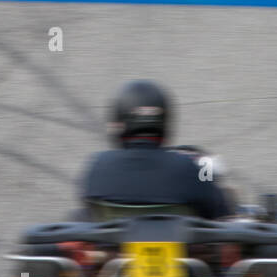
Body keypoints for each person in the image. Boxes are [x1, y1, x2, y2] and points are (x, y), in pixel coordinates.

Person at [80, 80, 233, 220]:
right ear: (164, 123)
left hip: (115, 247)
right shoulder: (190, 168)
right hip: (182, 246)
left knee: (78, 216)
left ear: (119, 123)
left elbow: (88, 211)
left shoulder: (97, 166)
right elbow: (220, 213)